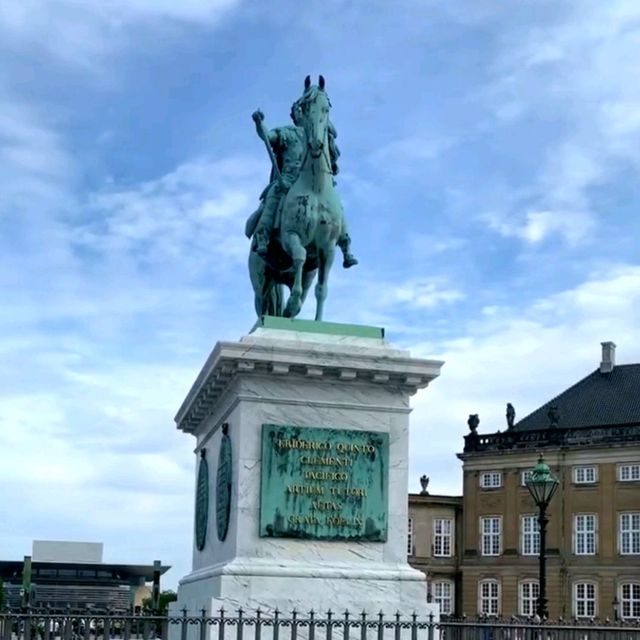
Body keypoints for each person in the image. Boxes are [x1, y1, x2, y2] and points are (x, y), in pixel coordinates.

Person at [246, 98, 358, 268]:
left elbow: (333, 156)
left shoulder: (319, 134)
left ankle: (345, 243)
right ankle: (263, 235)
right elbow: (268, 137)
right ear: (294, 116)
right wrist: (259, 123)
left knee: (335, 202)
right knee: (274, 193)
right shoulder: (287, 132)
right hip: (290, 179)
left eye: (303, 110)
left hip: (316, 180)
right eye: (298, 110)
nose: (301, 112)